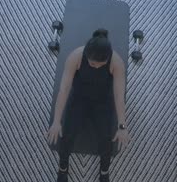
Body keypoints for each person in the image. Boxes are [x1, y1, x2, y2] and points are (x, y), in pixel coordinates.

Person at [46, 28, 131, 182]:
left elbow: (119, 96)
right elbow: (64, 89)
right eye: (92, 63)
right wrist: (57, 121)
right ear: (87, 55)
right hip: (79, 99)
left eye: (101, 64)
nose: (96, 66)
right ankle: (63, 168)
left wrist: (122, 126)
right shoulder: (76, 56)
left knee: (106, 140)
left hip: (102, 102)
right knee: (66, 137)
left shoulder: (116, 62)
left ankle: (104, 172)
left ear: (108, 58)